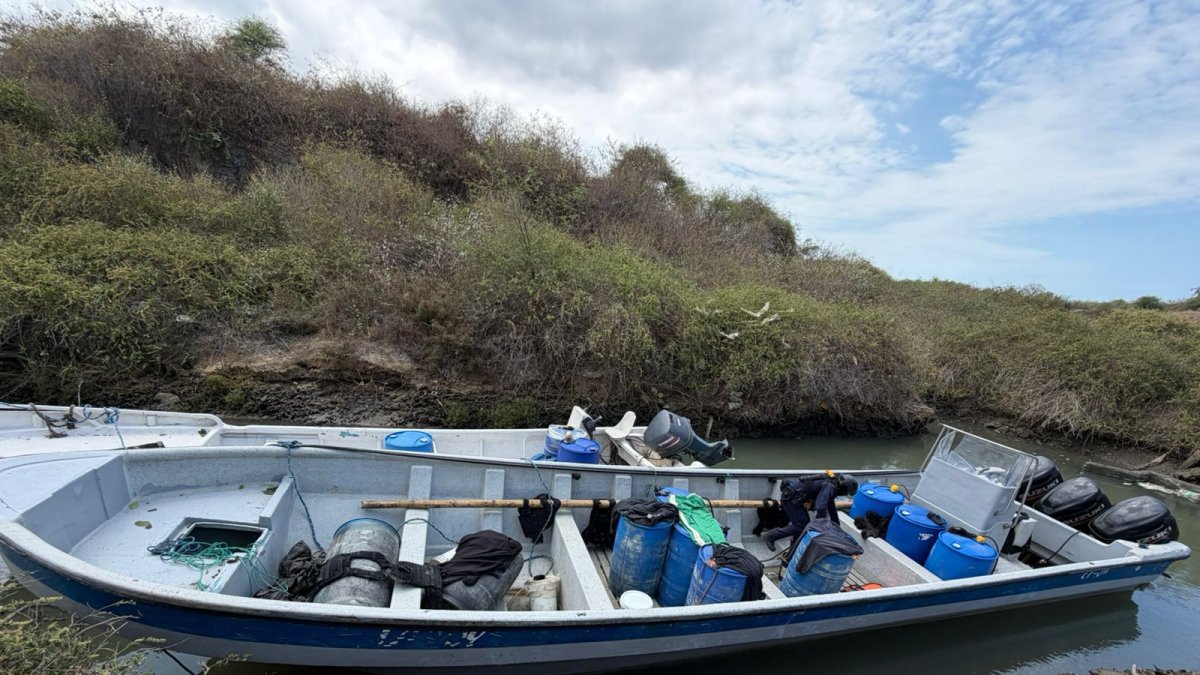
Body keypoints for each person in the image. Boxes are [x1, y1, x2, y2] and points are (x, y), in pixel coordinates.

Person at [760, 473, 854, 552]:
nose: (844, 494)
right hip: (791, 498)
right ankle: (771, 535)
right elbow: (821, 506)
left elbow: (831, 508)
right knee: (801, 526)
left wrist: (837, 527)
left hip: (794, 498)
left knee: (802, 524)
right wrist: (820, 525)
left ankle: (793, 550)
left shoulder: (831, 483)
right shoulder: (831, 486)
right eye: (846, 492)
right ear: (843, 486)